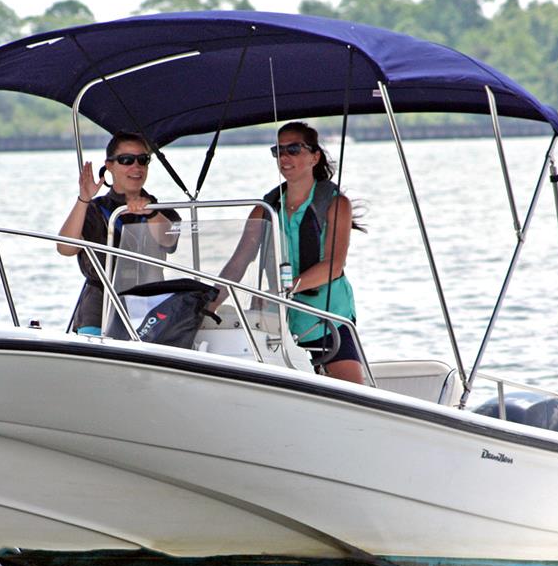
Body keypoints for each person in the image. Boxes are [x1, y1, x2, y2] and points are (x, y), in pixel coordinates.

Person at [217, 121, 364, 384]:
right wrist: (208, 303)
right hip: (277, 323)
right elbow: (237, 264)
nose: (285, 157)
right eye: (279, 151)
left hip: (326, 317)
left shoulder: (336, 204)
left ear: (314, 156)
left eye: (294, 149)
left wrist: (286, 289)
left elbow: (334, 266)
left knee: (356, 391)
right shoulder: (265, 209)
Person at [57, 131, 181, 334]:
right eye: (126, 160)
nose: (136, 167)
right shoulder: (93, 210)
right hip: (100, 306)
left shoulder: (163, 210)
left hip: (150, 304)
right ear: (109, 166)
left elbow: (170, 240)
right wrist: (83, 199)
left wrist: (150, 212)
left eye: (143, 160)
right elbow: (65, 248)